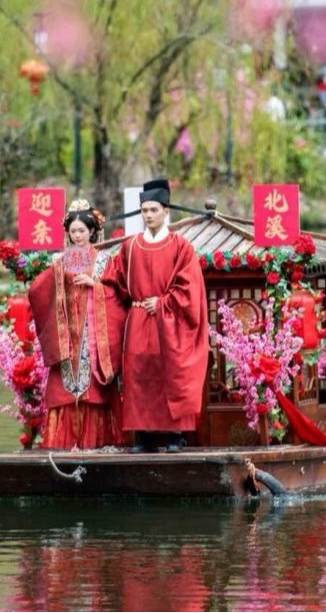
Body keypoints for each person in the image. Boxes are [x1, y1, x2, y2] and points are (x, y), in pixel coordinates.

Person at [102, 178, 208, 453]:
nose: (148, 215)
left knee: (169, 371)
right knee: (138, 375)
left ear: (165, 211)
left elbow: (189, 288)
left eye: (153, 210)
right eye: (144, 211)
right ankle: (143, 436)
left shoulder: (181, 246)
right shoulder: (130, 246)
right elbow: (115, 282)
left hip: (168, 322)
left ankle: (175, 435)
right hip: (138, 320)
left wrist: (163, 303)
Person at [27, 200, 127, 450]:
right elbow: (39, 291)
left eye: (82, 230)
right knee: (65, 391)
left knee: (94, 390)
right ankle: (65, 445)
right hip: (67, 336)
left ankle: (97, 443)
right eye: (73, 231)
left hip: (94, 336)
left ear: (92, 231)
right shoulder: (60, 261)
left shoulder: (104, 260)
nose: (78, 235)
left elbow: (119, 296)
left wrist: (96, 286)